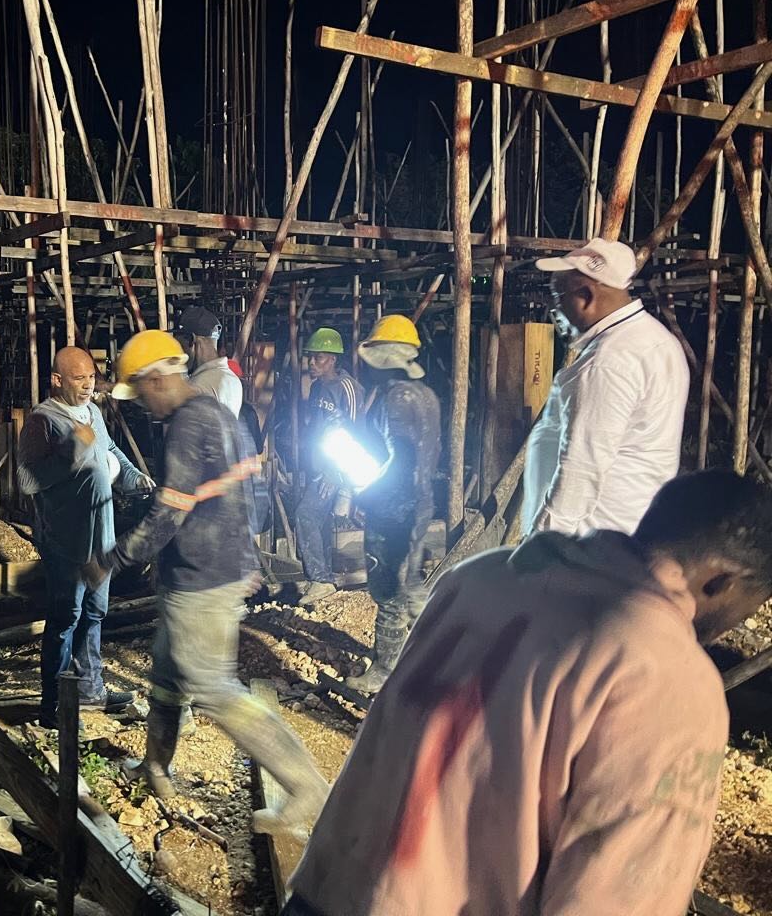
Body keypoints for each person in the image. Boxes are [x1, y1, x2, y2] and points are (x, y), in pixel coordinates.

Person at [284, 470, 772, 916]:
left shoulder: (480, 576)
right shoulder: (671, 678)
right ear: (721, 581)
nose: (735, 626)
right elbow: (618, 898)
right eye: (751, 605)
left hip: (326, 894)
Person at [87, 330, 328, 835]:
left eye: (141, 391)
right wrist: (246, 559)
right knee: (167, 675)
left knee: (213, 688)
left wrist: (113, 557)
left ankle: (306, 788)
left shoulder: (185, 424)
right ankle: (156, 767)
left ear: (157, 379)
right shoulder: (217, 412)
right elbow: (246, 491)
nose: (143, 405)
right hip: (210, 567)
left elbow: (168, 512)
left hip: (200, 577)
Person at [17, 346, 151, 729]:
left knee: (94, 614)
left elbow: (110, 451)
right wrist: (73, 449)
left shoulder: (93, 412)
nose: (88, 384)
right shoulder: (43, 420)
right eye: (79, 378)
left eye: (91, 377)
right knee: (65, 618)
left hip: (101, 537)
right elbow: (27, 480)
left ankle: (91, 689)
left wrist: (133, 478)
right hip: (66, 540)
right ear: (57, 380)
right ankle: (54, 705)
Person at [523, 237, 689, 537]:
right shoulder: (656, 339)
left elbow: (581, 467)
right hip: (629, 523)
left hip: (589, 538)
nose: (556, 309)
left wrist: (543, 544)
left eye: (559, 297)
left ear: (586, 296)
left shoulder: (608, 361)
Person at [334, 315, 441, 696]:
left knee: (389, 590)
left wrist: (368, 492)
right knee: (409, 583)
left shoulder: (397, 399)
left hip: (394, 510)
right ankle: (430, 655)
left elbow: (402, 460)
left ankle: (385, 670)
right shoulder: (424, 395)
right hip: (419, 503)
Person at [295, 326, 365, 604]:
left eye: (319, 357)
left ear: (333, 359)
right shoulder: (317, 388)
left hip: (336, 469)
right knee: (319, 522)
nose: (312, 363)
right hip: (319, 466)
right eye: (310, 357)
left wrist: (337, 473)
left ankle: (320, 580)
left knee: (305, 515)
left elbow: (356, 433)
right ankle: (324, 579)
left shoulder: (348, 388)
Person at [176, 305, 242, 417]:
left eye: (180, 344)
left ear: (192, 340)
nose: (180, 352)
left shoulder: (199, 386)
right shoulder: (233, 379)